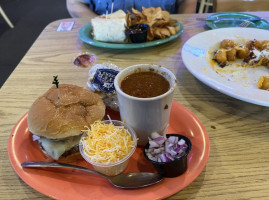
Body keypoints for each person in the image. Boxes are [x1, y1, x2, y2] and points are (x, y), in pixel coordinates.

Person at [66, 0, 197, 18]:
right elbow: (74, 3)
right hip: (105, 45)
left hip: (165, 43)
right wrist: (98, 26)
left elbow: (187, 1)